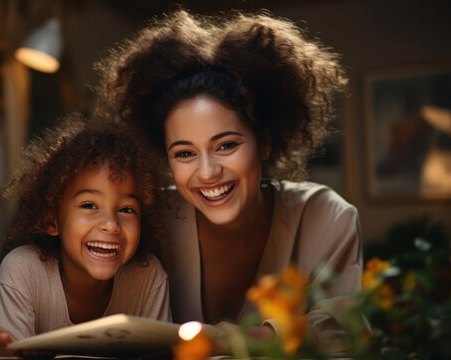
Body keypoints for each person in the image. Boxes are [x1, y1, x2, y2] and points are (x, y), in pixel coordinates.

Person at [96, 10, 362, 355]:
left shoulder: (326, 218)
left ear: (264, 142)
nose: (207, 173)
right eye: (184, 154)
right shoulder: (147, 220)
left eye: (226, 146)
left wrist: (224, 339)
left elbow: (345, 337)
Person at [0, 118, 170, 359]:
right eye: (89, 205)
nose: (111, 224)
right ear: (51, 220)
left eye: (127, 209)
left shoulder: (147, 276)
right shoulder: (23, 268)